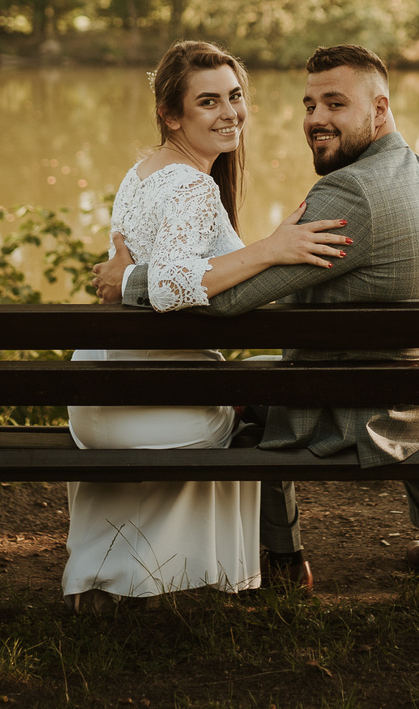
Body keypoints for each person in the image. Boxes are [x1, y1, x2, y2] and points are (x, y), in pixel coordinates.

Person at [95, 43, 419, 593]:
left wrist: (130, 279)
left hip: (375, 410)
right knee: (280, 371)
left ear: (379, 109)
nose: (316, 119)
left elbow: (228, 302)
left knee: (248, 406)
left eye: (335, 104)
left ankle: (286, 565)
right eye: (310, 105)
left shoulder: (349, 192)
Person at [63, 40, 351, 611]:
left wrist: (134, 277)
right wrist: (271, 248)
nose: (230, 113)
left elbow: (146, 272)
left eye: (235, 97)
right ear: (171, 115)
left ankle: (118, 573)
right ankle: (223, 570)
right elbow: (172, 284)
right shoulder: (194, 186)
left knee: (236, 394)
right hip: (153, 408)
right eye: (209, 101)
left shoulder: (141, 173)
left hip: (95, 400)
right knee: (255, 417)